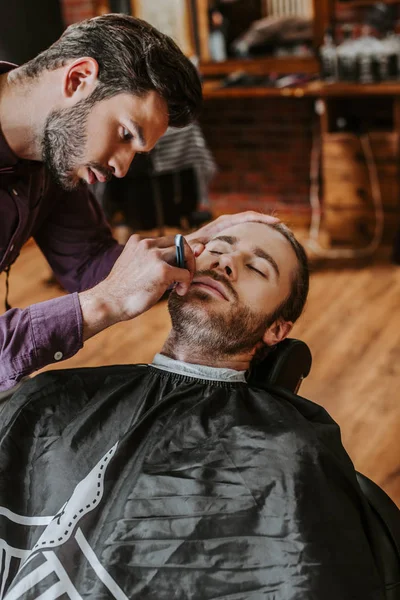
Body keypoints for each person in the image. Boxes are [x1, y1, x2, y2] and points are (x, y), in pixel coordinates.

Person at [0, 220, 385, 599]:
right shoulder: (49, 398)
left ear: (277, 330)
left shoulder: (287, 457)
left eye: (255, 267)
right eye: (216, 250)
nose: (225, 262)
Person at [0, 12, 277, 395]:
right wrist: (101, 304)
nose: (122, 167)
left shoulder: (54, 155)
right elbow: (101, 289)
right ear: (78, 79)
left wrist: (190, 250)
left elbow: (86, 264)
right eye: (125, 133)